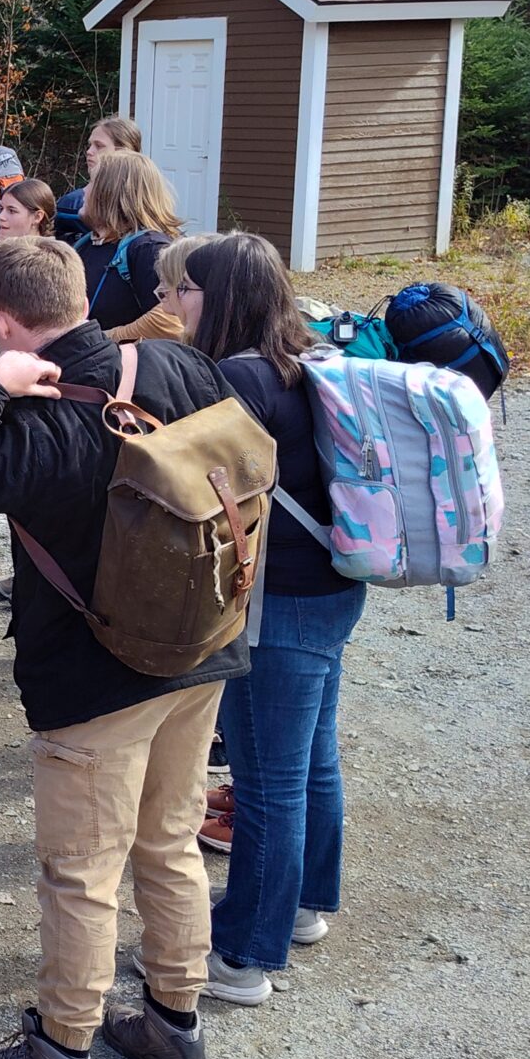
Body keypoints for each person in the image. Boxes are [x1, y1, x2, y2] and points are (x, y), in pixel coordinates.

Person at [0, 236, 248, 1059]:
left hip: (97, 676)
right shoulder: (175, 363)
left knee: (82, 872)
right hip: (202, 645)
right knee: (168, 842)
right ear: (81, 299)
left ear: (1, 322)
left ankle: (61, 1057)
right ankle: (175, 1029)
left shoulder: (36, 423)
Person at [175, 233, 363, 1008]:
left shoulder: (238, 379)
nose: (173, 303)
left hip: (274, 604)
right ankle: (307, 905)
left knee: (266, 782)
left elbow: (199, 489)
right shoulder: (308, 358)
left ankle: (245, 954)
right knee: (312, 759)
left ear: (219, 297)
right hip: (334, 585)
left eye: (184, 290)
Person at [75, 149, 182, 332]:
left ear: (110, 193)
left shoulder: (149, 250)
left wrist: (103, 341)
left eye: (91, 182)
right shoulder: (87, 243)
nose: (83, 191)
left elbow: (170, 322)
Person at [54, 115, 143, 241]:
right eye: (90, 145)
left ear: (123, 152)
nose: (89, 151)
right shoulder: (72, 205)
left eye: (99, 146)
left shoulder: (146, 206)